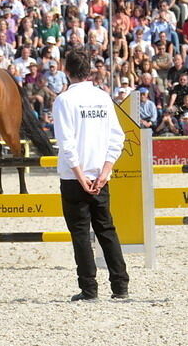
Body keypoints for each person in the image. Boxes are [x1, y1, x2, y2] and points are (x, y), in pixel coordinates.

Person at [52, 48, 129, 301]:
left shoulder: (63, 100)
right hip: (100, 174)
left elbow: (66, 142)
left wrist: (79, 173)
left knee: (81, 234)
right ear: (90, 71)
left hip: (76, 176)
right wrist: (106, 170)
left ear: (66, 70)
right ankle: (120, 286)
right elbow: (118, 137)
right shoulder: (103, 98)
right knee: (107, 229)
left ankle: (89, 288)